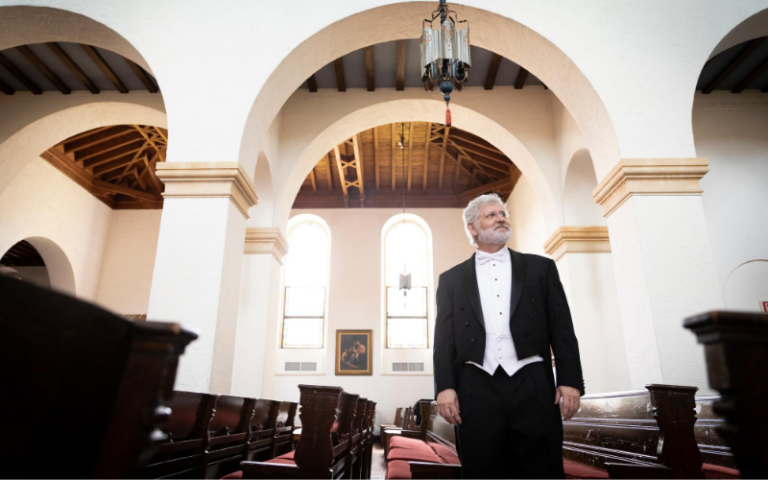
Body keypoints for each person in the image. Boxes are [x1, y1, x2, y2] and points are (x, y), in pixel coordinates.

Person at [433, 194, 584, 479]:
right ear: (472, 228)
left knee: (542, 467)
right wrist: (444, 387)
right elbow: (444, 341)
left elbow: (562, 327)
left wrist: (569, 380)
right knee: (482, 467)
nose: (501, 217)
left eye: (503, 213)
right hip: (475, 385)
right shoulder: (451, 280)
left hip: (533, 382)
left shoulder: (541, 268)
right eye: (491, 215)